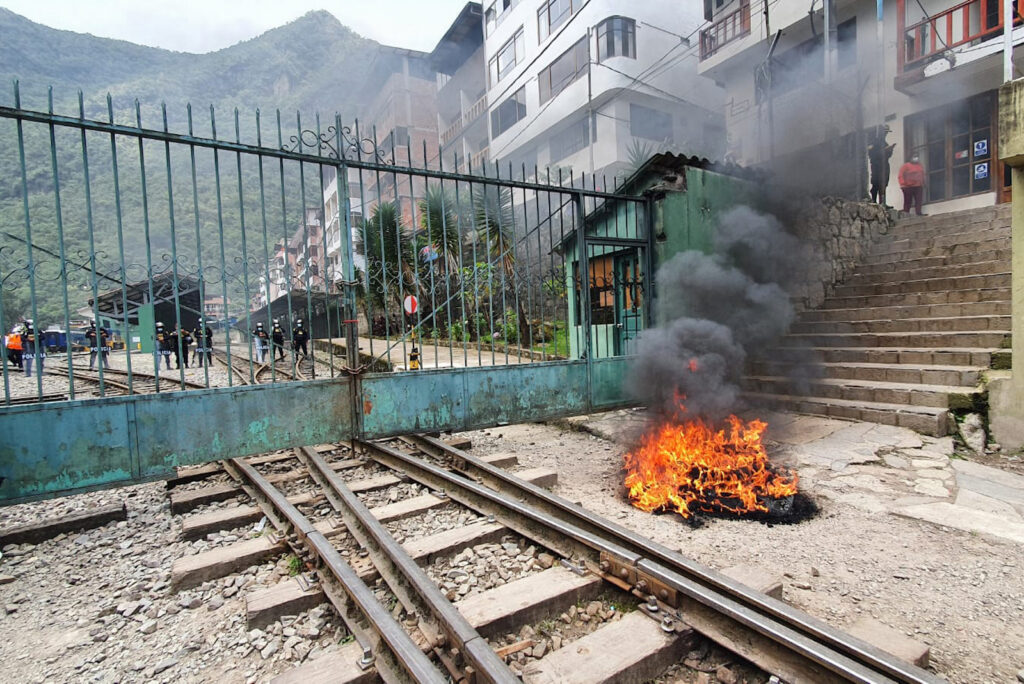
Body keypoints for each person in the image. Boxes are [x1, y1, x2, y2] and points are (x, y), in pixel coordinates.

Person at [867, 126, 895, 205]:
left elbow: (888, 156)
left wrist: (889, 151)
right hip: (876, 166)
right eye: (885, 132)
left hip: (884, 165)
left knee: (884, 183)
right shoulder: (874, 142)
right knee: (876, 183)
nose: (886, 134)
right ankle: (874, 201)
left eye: (886, 132)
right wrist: (883, 151)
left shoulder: (885, 143)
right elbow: (872, 154)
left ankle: (883, 202)